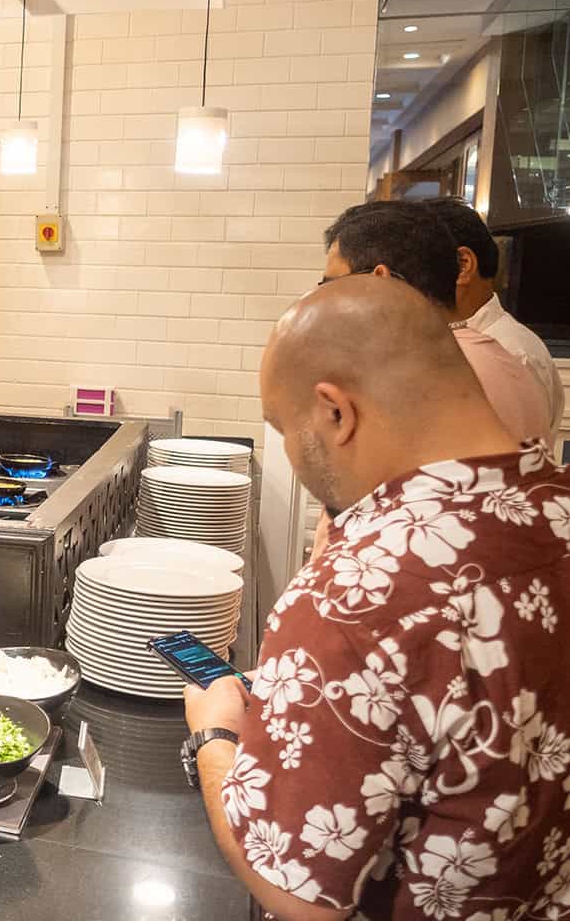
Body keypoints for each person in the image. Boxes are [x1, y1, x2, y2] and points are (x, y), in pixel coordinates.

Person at [183, 275, 570, 920]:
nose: (291, 453)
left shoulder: (356, 594)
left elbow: (299, 896)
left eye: (284, 428)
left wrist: (214, 733)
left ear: (336, 412)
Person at [321, 202, 553, 445]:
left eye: (335, 285)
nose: (330, 302)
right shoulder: (474, 354)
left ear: (380, 280)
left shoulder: (442, 370)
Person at [413, 196, 563, 443]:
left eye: (406, 270)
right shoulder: (444, 340)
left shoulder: (511, 353)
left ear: (463, 265)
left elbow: (511, 463)